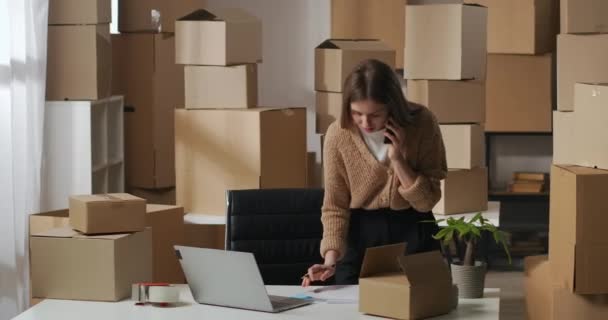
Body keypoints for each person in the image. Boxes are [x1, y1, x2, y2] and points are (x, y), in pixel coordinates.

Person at [302, 59, 447, 286]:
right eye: (356, 113)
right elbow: (335, 205)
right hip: (361, 233)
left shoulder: (422, 123)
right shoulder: (338, 134)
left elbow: (427, 201)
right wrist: (329, 262)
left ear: (393, 106)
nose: (365, 122)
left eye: (375, 114)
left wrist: (398, 160)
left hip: (414, 227)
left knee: (423, 305)